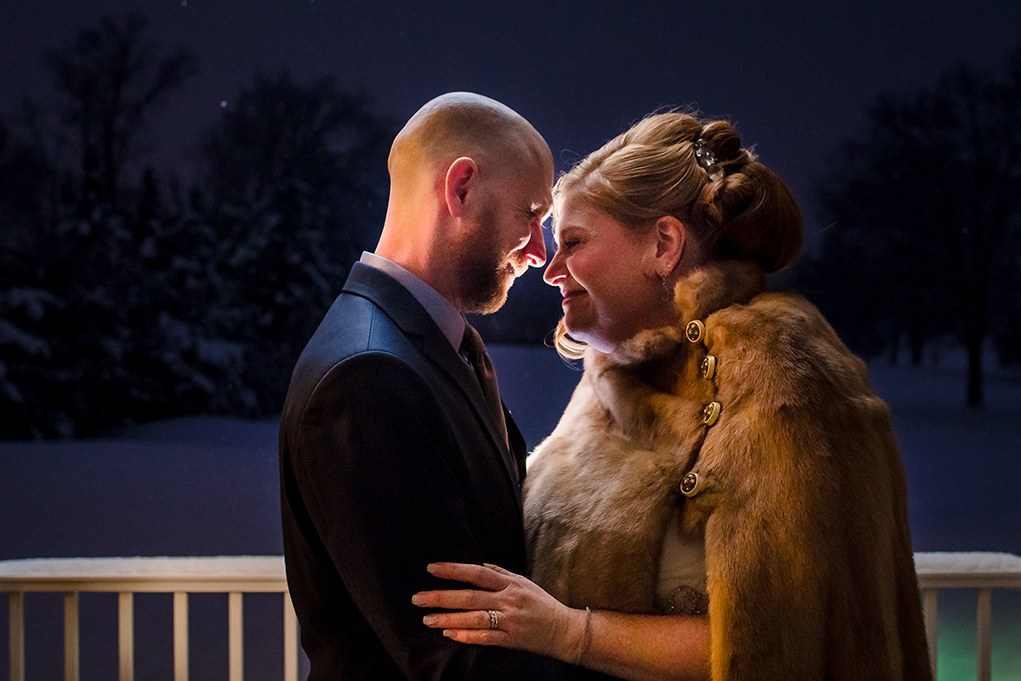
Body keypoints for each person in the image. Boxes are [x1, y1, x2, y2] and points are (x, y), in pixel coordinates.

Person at [412, 112, 933, 681]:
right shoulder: (611, 376)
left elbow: (777, 646)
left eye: (575, 242)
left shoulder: (781, 382)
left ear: (663, 245)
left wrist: (564, 630)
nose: (551, 269)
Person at [279, 92, 623, 680]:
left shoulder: (430, 346)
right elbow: (450, 659)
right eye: (531, 215)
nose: (540, 254)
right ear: (460, 188)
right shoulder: (365, 378)